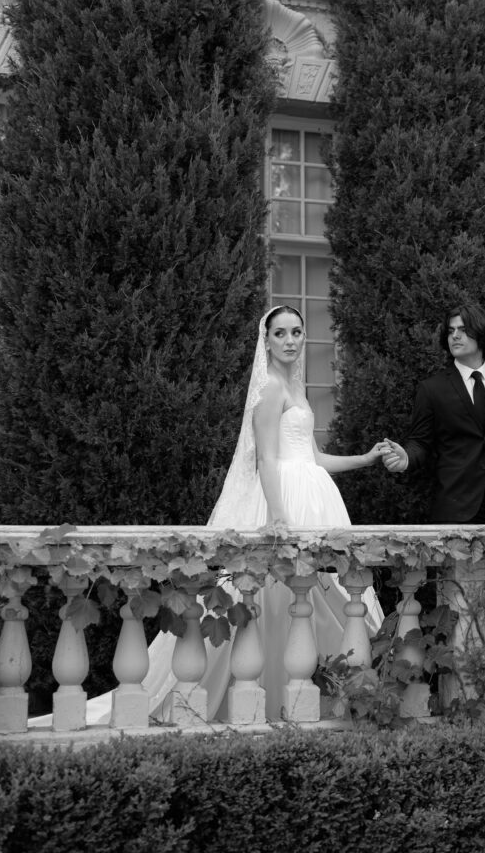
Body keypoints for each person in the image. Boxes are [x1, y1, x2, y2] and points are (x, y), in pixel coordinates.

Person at [32, 305, 383, 728]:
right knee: (276, 597)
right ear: (266, 341)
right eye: (280, 334)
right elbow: (268, 461)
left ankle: (305, 698)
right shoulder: (270, 390)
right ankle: (268, 701)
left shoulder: (296, 389)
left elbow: (313, 457)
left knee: (314, 595)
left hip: (314, 495)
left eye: (296, 332)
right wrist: (278, 516)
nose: (290, 341)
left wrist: (366, 459)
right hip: (284, 499)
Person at [382, 302, 485, 524]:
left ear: (480, 333)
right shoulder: (432, 389)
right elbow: (420, 443)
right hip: (456, 505)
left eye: (463, 330)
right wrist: (406, 458)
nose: (455, 336)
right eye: (451, 331)